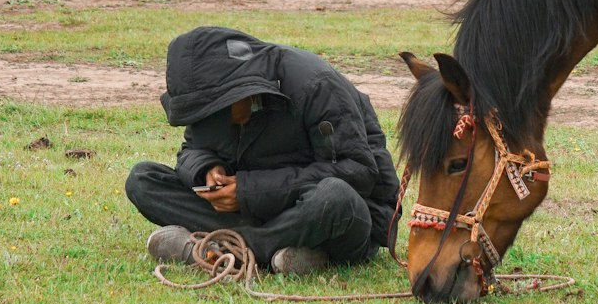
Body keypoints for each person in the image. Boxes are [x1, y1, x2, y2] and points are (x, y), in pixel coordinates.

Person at [125, 26, 401, 275]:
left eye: (217, 112)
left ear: (242, 90)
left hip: (337, 217)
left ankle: (230, 248)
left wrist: (249, 191)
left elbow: (359, 172)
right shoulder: (211, 101)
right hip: (267, 216)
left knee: (334, 196)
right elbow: (191, 149)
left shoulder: (315, 84)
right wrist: (206, 169)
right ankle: (281, 251)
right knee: (142, 180)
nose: (215, 122)